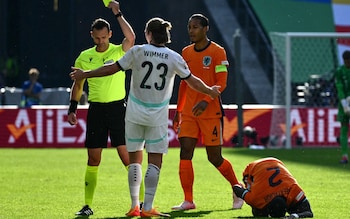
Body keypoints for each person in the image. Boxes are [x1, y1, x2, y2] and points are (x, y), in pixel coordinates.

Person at [70, 17, 221, 218]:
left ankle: (134, 206)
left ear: (149, 34)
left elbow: (110, 69)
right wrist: (210, 91)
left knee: (134, 161)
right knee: (155, 161)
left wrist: (85, 74)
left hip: (133, 114)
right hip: (157, 116)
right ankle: (147, 206)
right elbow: (192, 81)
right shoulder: (173, 57)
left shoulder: (137, 51)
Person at [66, 1, 142, 217]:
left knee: (128, 159)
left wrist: (117, 13)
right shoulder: (84, 56)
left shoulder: (120, 51)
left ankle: (141, 202)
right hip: (96, 110)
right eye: (97, 38)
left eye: (104, 37)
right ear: (92, 35)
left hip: (119, 109)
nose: (101, 41)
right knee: (93, 159)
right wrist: (72, 108)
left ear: (110, 34)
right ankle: (87, 205)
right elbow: (78, 84)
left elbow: (132, 38)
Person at [171, 13, 244, 211]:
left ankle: (238, 189)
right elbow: (184, 85)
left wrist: (205, 100)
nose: (191, 31)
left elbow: (222, 83)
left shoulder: (218, 52)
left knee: (214, 158)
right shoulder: (185, 52)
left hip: (210, 112)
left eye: (195, 27)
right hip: (188, 113)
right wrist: (178, 110)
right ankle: (188, 200)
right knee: (185, 152)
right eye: (189, 27)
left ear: (205, 29)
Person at [233, 157, 313, 218]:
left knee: (257, 209)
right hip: (254, 168)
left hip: (275, 162)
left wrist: (295, 215)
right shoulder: (293, 189)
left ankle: (247, 197)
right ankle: (241, 199)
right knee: (257, 211)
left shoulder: (293, 189)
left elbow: (309, 213)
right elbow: (309, 212)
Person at [334, 50, 350, 164]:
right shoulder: (340, 71)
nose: (347, 63)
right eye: (346, 61)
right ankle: (344, 155)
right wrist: (344, 103)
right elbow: (339, 87)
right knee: (344, 127)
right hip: (343, 103)